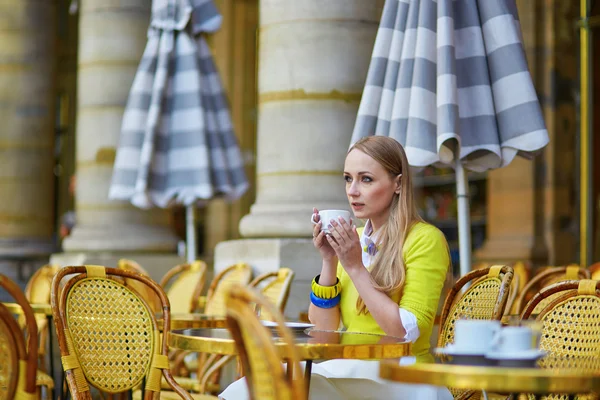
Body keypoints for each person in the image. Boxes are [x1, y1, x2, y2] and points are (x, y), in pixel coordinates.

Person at [220, 136, 452, 399]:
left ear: (397, 183)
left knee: (285, 386)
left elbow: (404, 332)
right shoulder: (356, 239)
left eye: (366, 179)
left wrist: (354, 267)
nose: (352, 190)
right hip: (350, 373)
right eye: (347, 178)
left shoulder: (425, 239)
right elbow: (325, 332)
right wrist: (329, 259)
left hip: (402, 378)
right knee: (256, 385)